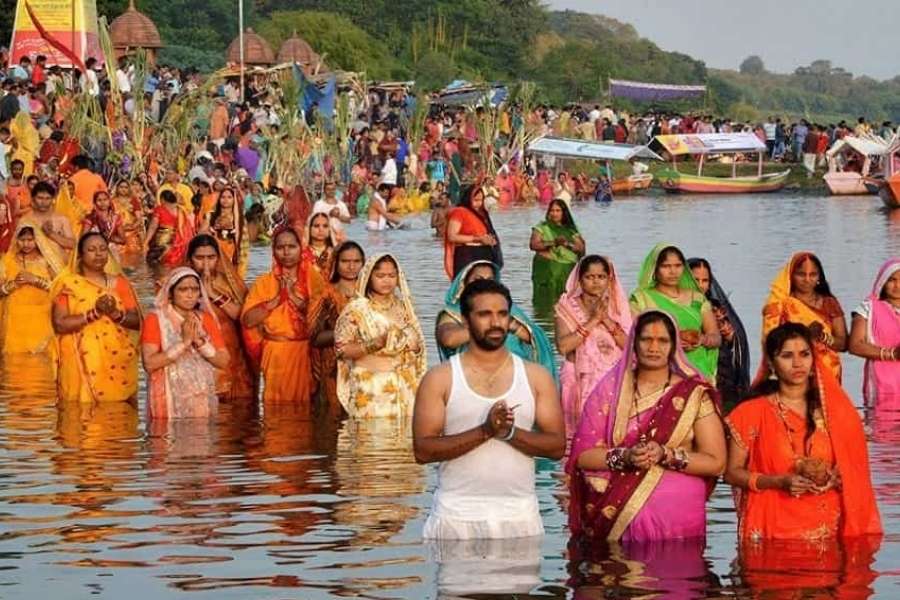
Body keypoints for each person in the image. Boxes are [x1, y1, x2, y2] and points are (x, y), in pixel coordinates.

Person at [414, 278, 565, 539]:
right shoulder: (440, 378)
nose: (496, 323)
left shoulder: (536, 376)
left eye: (502, 314)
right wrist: (484, 431)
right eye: (485, 314)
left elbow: (556, 447)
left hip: (519, 519)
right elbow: (423, 450)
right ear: (465, 319)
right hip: (456, 519)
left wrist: (509, 433)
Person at [566, 310, 726, 542]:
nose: (653, 347)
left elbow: (716, 462)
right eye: (646, 339)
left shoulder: (694, 394)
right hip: (613, 519)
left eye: (662, 341)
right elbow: (582, 457)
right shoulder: (609, 391)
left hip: (678, 527)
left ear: (673, 346)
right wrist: (625, 457)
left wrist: (666, 455)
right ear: (634, 342)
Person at [725, 323, 882, 541]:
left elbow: (855, 470)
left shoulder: (837, 412)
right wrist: (778, 482)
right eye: (787, 355)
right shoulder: (750, 412)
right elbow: (732, 473)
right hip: (771, 531)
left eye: (804, 354)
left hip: (829, 531)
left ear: (813, 359)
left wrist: (835, 477)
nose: (798, 363)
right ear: (771, 363)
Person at [50, 232, 142, 403]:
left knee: (119, 416)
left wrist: (115, 313)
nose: (98, 254)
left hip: (117, 360)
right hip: (78, 362)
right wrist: (95, 314)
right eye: (91, 250)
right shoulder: (69, 285)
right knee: (78, 415)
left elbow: (137, 322)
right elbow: (60, 324)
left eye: (102, 249)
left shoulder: (120, 284)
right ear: (80, 255)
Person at [334, 253, 426, 419]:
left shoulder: (403, 307)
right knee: (371, 441)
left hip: (404, 388)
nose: (387, 280)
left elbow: (419, 344)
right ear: (369, 277)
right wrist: (376, 343)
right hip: (371, 389)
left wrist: (414, 346)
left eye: (392, 275)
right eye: (380, 276)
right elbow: (341, 350)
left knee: (403, 441)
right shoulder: (357, 309)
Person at [242, 227, 324, 405]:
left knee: (305, 410)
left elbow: (322, 319)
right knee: (275, 407)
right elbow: (248, 321)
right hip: (276, 352)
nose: (286, 252)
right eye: (280, 247)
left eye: (291, 246)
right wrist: (277, 299)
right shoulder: (264, 282)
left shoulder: (313, 279)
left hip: (305, 351)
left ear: (300, 248)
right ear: (274, 251)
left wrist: (295, 298)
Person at [436, 260, 557, 380]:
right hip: (473, 377)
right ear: (464, 283)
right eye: (478, 279)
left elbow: (535, 339)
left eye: (490, 279)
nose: (484, 283)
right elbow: (448, 339)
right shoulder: (454, 312)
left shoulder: (512, 311)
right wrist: (489, 328)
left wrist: (510, 325)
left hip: (515, 376)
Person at [555, 256, 631, 440]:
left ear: (609, 279)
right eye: (590, 277)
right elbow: (564, 347)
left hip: (612, 379)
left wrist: (607, 320)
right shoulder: (566, 307)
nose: (596, 282)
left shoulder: (618, 307)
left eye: (601, 276)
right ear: (580, 280)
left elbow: (630, 347)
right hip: (577, 379)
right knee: (576, 438)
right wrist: (593, 321)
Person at [141, 267, 230, 419]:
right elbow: (149, 364)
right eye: (183, 289)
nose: (190, 295)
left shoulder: (205, 319)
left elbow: (223, 361)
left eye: (195, 289)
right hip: (167, 397)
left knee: (200, 439)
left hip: (199, 395)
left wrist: (200, 343)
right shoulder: (155, 319)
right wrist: (184, 343)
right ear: (171, 293)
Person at [630, 244, 720, 379]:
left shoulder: (697, 298)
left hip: (699, 369)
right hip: (660, 369)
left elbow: (716, 336)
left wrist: (702, 340)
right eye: (666, 266)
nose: (673, 272)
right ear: (654, 269)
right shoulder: (641, 299)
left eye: (678, 266)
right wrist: (673, 343)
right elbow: (633, 337)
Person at [187, 235, 256, 401]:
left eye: (211, 258)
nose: (205, 264)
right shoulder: (179, 284)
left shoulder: (230, 283)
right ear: (190, 260)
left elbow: (244, 317)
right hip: (194, 357)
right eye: (199, 258)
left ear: (218, 258)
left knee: (234, 414)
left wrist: (212, 294)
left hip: (231, 356)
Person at [761, 252, 847, 382]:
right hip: (791, 370)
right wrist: (805, 335)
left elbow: (843, 344)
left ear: (819, 277)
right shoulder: (781, 304)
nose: (807, 280)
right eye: (801, 274)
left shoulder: (829, 303)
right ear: (791, 276)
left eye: (813, 274)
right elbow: (771, 341)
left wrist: (823, 337)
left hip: (828, 371)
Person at [309, 241, 365, 414]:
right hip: (334, 365)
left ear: (363, 263)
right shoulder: (326, 294)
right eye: (345, 261)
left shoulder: (369, 293)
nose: (351, 266)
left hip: (365, 363)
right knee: (334, 417)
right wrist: (344, 333)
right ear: (336, 262)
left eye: (356, 262)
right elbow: (314, 337)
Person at [688, 258, 751, 405]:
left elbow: (734, 341)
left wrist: (729, 337)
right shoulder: (677, 307)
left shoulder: (715, 308)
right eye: (695, 280)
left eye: (705, 280)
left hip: (721, 373)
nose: (700, 285)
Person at [0, 225, 62, 363]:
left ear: (38, 240)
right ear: (16, 240)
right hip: (14, 321)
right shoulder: (7, 260)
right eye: (22, 240)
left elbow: (59, 288)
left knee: (40, 361)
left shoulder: (47, 261)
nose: (26, 244)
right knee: (14, 362)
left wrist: (35, 280)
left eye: (30, 240)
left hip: (41, 318)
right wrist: (14, 284)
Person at [848, 258, 900, 406]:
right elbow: (855, 345)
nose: (897, 285)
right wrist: (892, 354)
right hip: (881, 383)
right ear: (882, 282)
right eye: (892, 280)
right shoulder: (868, 308)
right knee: (882, 425)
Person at [530, 198, 585, 311]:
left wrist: (566, 244)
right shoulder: (542, 227)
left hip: (566, 270)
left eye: (558, 210)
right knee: (546, 301)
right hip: (548, 270)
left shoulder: (571, 230)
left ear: (564, 212)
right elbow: (533, 245)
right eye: (552, 210)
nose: (554, 213)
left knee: (567, 301)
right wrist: (553, 243)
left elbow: (581, 248)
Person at [443, 185, 502, 279]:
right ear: (468, 198)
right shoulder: (459, 212)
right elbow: (452, 236)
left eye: (481, 200)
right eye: (476, 200)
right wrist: (478, 239)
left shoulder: (482, 214)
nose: (479, 204)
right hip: (467, 255)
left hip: (484, 255)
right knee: (467, 287)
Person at [201, 187, 248, 277]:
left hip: (232, 256)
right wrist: (212, 231)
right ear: (219, 199)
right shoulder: (210, 215)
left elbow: (244, 242)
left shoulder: (239, 219)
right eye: (223, 197)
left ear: (234, 200)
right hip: (214, 254)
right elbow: (201, 233)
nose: (226, 200)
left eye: (229, 197)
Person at [145, 189, 194, 271]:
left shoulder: (159, 209)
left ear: (163, 199)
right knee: (176, 266)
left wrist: (146, 241)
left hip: (162, 240)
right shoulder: (182, 210)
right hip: (180, 242)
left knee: (157, 265)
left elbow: (153, 226)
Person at [110, 180, 145, 265]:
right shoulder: (112, 202)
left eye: (126, 187)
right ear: (117, 188)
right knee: (117, 259)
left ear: (129, 189)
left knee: (133, 259)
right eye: (121, 187)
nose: (123, 189)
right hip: (117, 234)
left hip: (131, 234)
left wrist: (132, 227)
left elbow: (139, 219)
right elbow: (109, 217)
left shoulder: (133, 201)